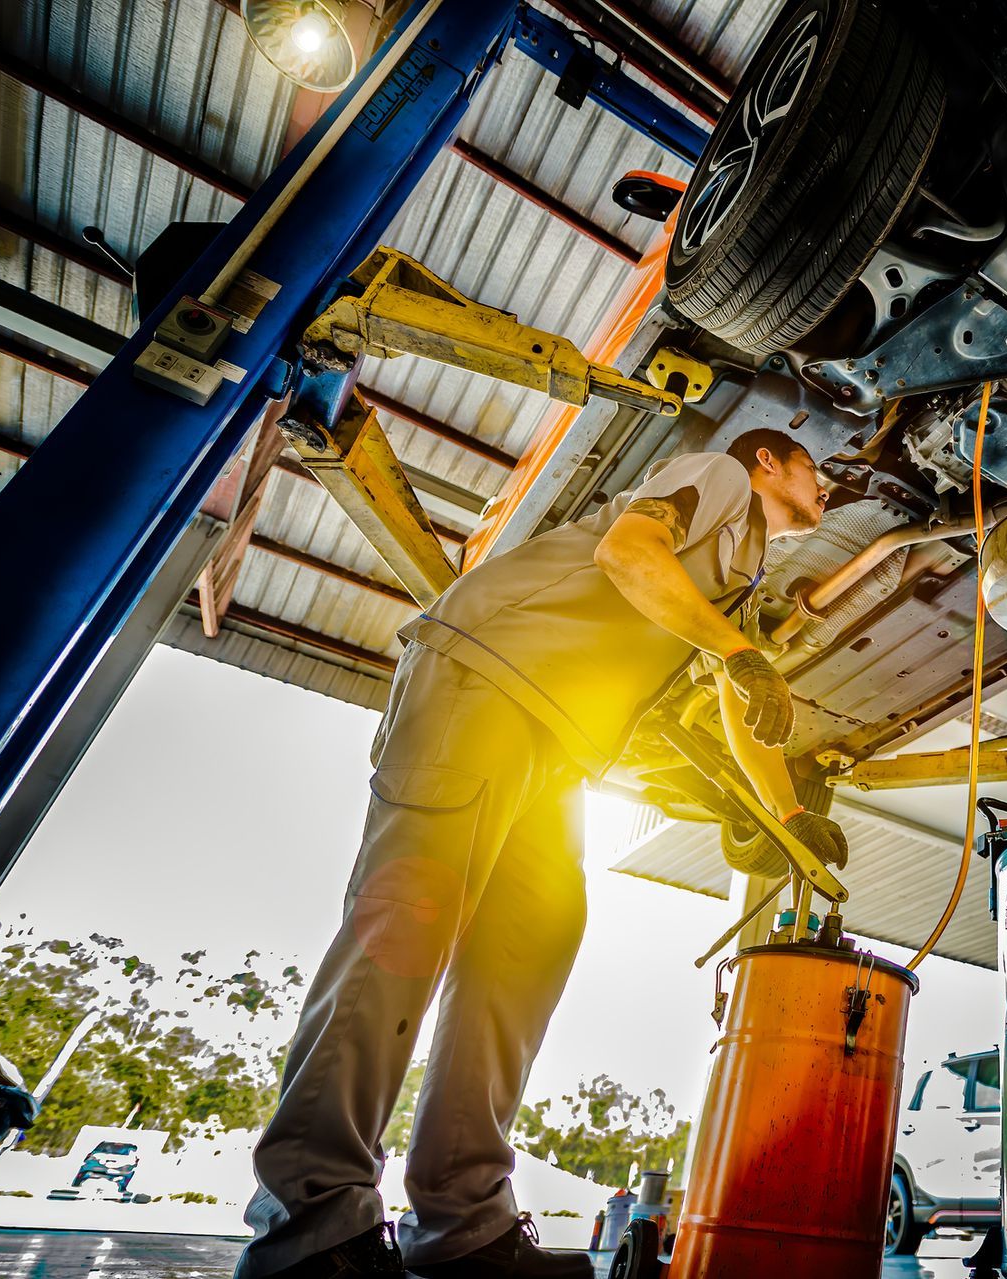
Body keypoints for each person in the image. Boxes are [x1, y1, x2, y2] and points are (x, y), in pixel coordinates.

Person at [237, 429, 847, 1279]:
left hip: (556, 742)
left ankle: (461, 1224)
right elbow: (629, 553)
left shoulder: (741, 573)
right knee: (406, 928)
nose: (832, 490)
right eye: (819, 470)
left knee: (529, 945)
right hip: (484, 678)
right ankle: (311, 1220)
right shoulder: (714, 476)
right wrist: (741, 653)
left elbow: (739, 699)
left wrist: (787, 812)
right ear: (768, 462)